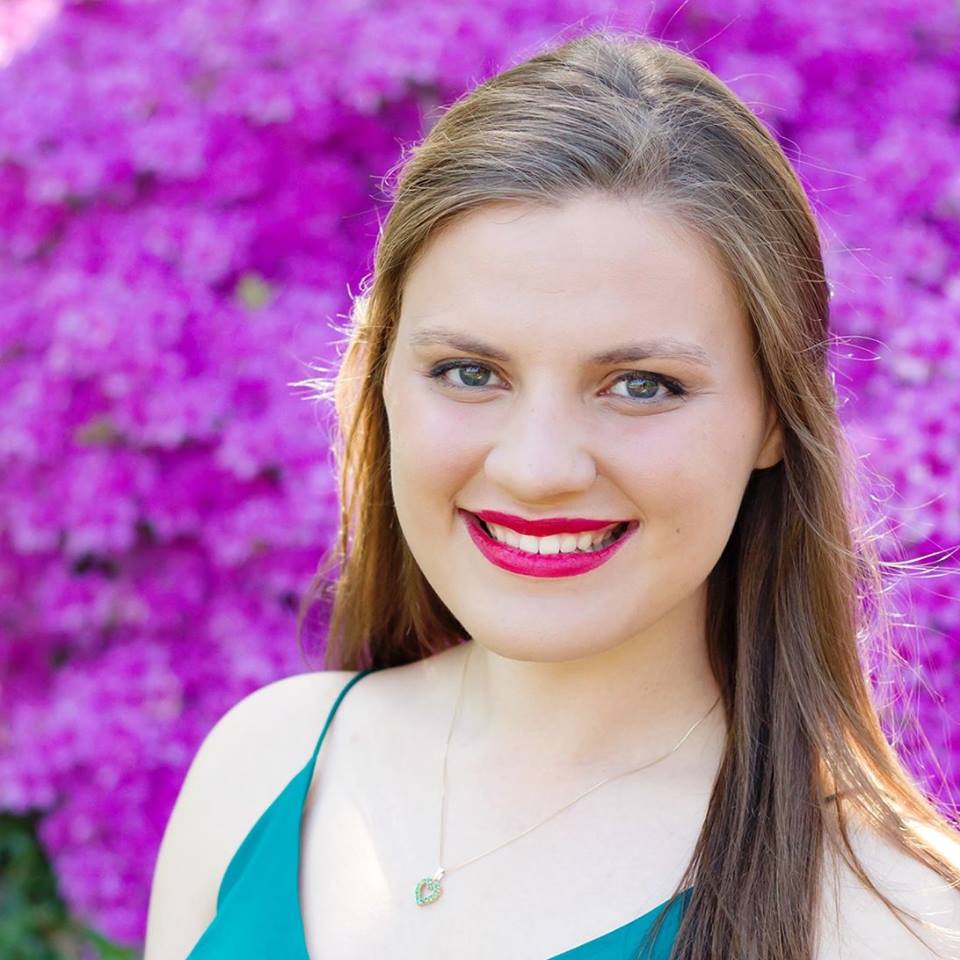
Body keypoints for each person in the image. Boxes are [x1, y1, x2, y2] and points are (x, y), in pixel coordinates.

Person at [144, 29, 960, 960]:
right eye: (469, 372)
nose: (536, 469)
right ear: (380, 380)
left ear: (776, 417)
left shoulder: (895, 924)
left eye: (641, 385)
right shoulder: (265, 762)